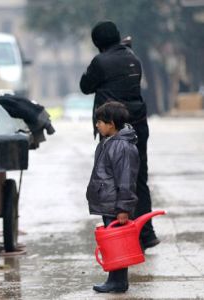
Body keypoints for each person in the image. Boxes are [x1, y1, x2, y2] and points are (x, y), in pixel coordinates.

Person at [80, 20, 160, 250]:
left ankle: (122, 237)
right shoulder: (133, 57)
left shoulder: (100, 62)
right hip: (139, 125)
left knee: (113, 182)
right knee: (138, 177)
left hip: (113, 129)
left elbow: (85, 86)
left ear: (97, 43)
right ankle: (147, 233)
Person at [86, 101, 140, 293]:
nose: (97, 125)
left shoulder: (121, 147)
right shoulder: (109, 142)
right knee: (113, 243)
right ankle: (116, 280)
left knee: (116, 244)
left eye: (100, 122)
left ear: (111, 123)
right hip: (109, 202)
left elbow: (125, 179)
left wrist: (123, 208)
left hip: (115, 205)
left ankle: (117, 281)